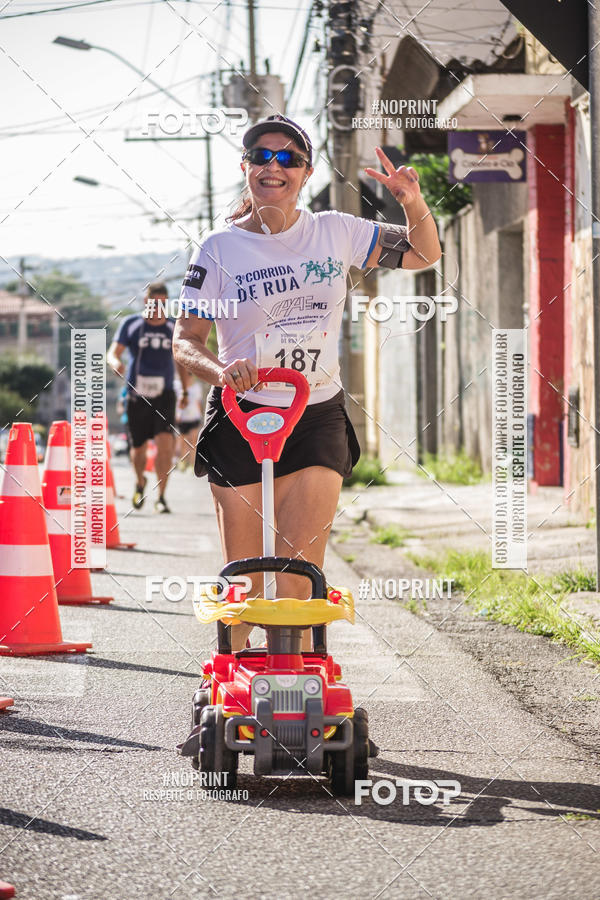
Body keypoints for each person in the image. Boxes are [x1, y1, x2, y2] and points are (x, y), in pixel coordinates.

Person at [173, 114, 441, 649]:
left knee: (298, 581)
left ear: (306, 171)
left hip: (315, 412)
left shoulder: (335, 230)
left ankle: (290, 701)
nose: (275, 167)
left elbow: (423, 253)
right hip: (242, 412)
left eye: (288, 159)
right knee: (244, 581)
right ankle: (231, 683)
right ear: (245, 168)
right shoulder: (219, 247)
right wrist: (222, 370)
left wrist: (411, 200)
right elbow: (186, 340)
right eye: (262, 157)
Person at [107, 281, 190, 513]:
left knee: (165, 445)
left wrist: (184, 389)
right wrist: (115, 363)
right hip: (136, 393)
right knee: (139, 448)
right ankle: (140, 481)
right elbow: (113, 352)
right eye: (154, 303)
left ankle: (161, 496)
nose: (158, 308)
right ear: (146, 302)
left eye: (163, 304)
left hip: (164, 394)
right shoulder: (131, 324)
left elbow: (181, 361)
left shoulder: (173, 327)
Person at [174, 375, 203, 470]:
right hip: (182, 418)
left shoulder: (197, 387)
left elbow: (198, 403)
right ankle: (183, 462)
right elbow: (175, 402)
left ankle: (192, 464)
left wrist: (201, 416)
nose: (189, 378)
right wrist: (176, 414)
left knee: (193, 441)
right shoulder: (178, 386)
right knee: (183, 442)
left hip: (194, 418)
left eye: (190, 375)